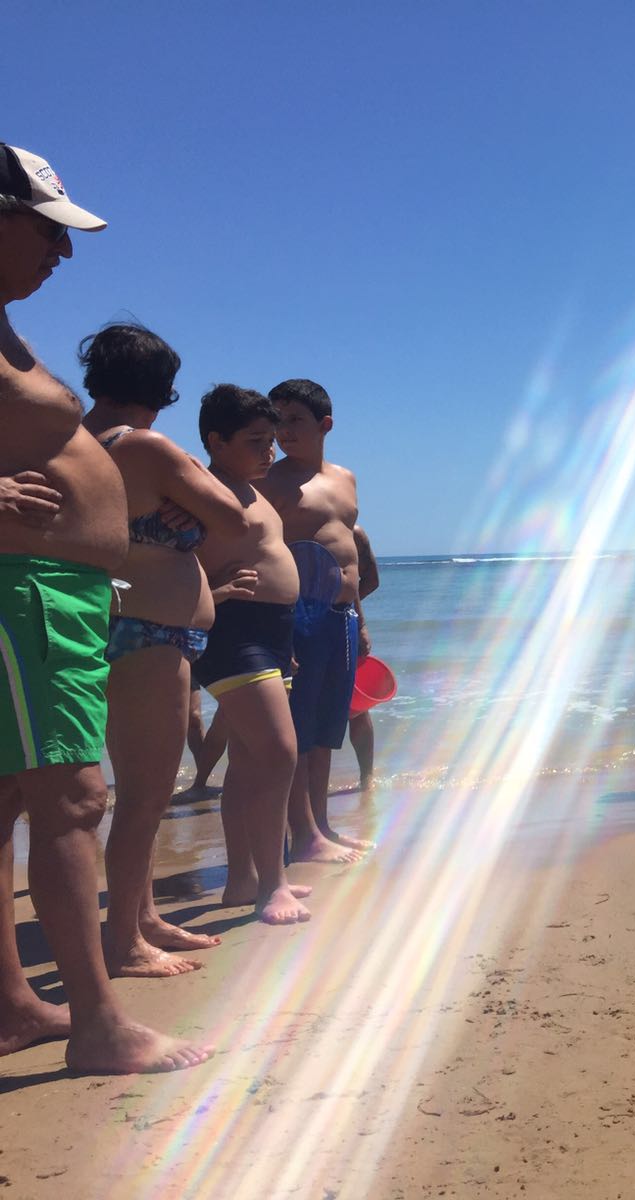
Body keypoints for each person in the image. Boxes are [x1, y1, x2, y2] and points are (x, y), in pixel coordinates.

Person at [0, 142, 212, 1072]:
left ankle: (14, 1004)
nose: (64, 253)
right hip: (26, 593)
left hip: (59, 593)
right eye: (49, 230)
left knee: (12, 799)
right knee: (76, 799)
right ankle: (97, 1024)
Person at [79, 324, 250, 976]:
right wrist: (197, 510)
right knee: (146, 792)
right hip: (150, 630)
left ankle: (142, 915)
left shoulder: (74, 442)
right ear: (161, 388)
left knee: (129, 789)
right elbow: (235, 519)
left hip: (108, 620)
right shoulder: (144, 446)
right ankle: (124, 941)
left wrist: (188, 509)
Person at [193, 385, 310, 925]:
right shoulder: (199, 488)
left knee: (246, 762)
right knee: (279, 753)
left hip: (270, 633)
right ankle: (273, 885)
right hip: (234, 633)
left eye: (271, 441)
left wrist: (284, 646)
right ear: (216, 441)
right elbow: (157, 558)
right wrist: (211, 597)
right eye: (256, 441)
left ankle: (241, 879)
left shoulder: (249, 487)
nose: (270, 452)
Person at [263, 379, 370, 862]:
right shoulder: (271, 481)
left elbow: (350, 554)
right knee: (299, 731)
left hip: (342, 615)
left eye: (295, 420)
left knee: (328, 728)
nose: (283, 431)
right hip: (298, 614)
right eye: (277, 420)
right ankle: (301, 834)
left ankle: (320, 826)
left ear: (324, 424)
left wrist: (362, 621)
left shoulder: (345, 477)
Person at [347, 523, 380, 790]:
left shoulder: (353, 532)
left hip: (343, 622)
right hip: (298, 621)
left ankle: (366, 778)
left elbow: (371, 580)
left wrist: (347, 606)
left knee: (356, 707)